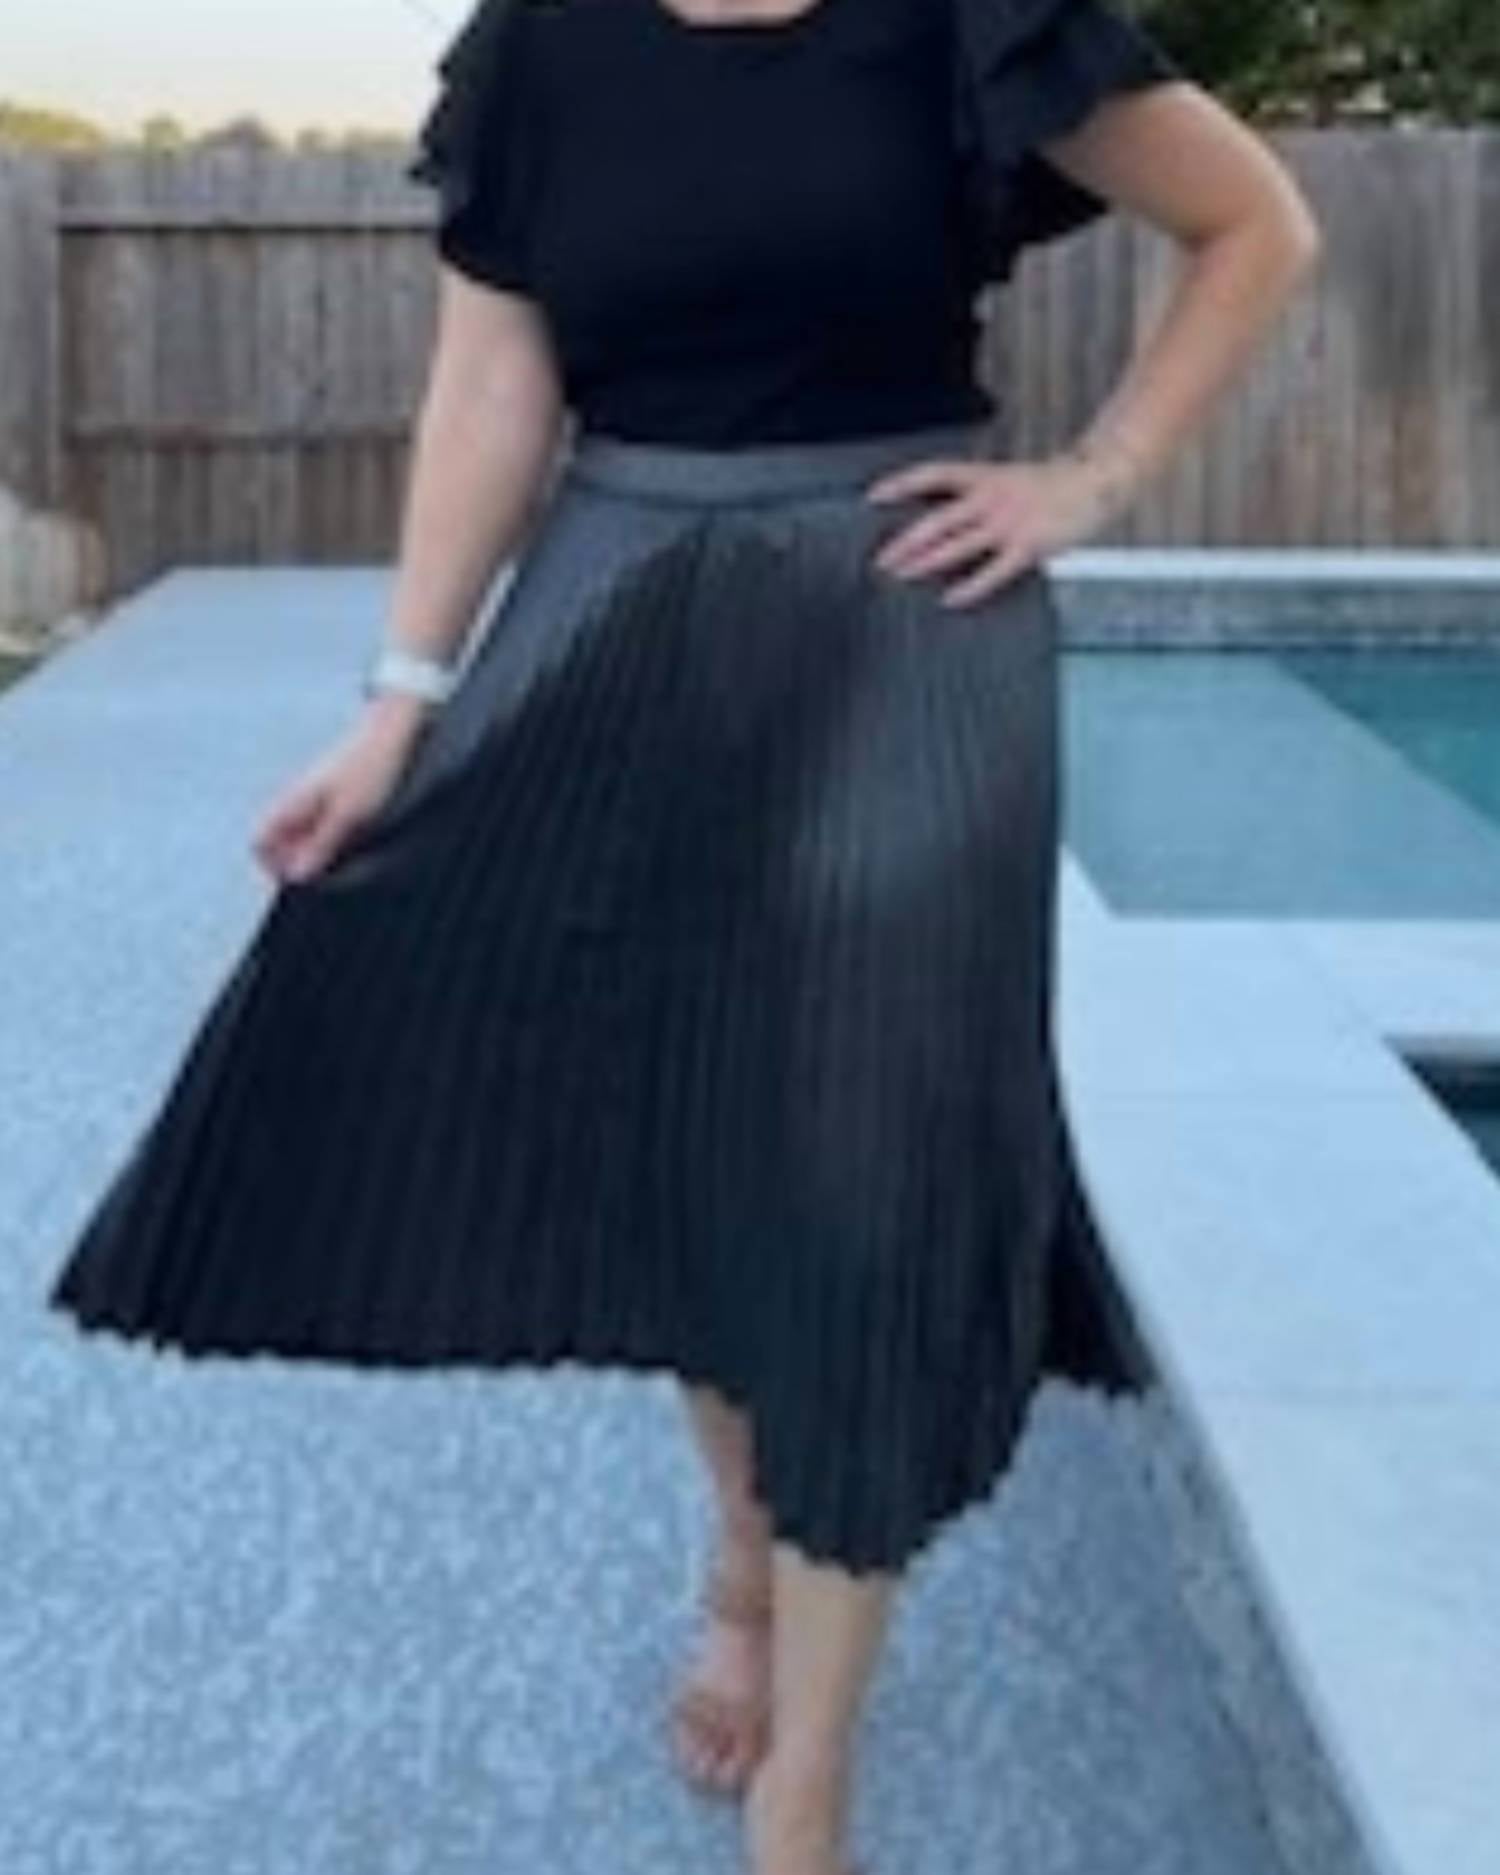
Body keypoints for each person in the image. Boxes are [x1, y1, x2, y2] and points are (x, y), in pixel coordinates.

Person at [46, 1, 1320, 1870]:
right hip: (619, 609)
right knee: (689, 1140)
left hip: (901, 625)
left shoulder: (968, 19)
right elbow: (494, 385)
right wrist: (401, 705)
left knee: (868, 1181)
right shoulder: (542, 47)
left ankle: (813, 1767)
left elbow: (1256, 222)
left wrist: (1095, 478)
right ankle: (742, 1552)